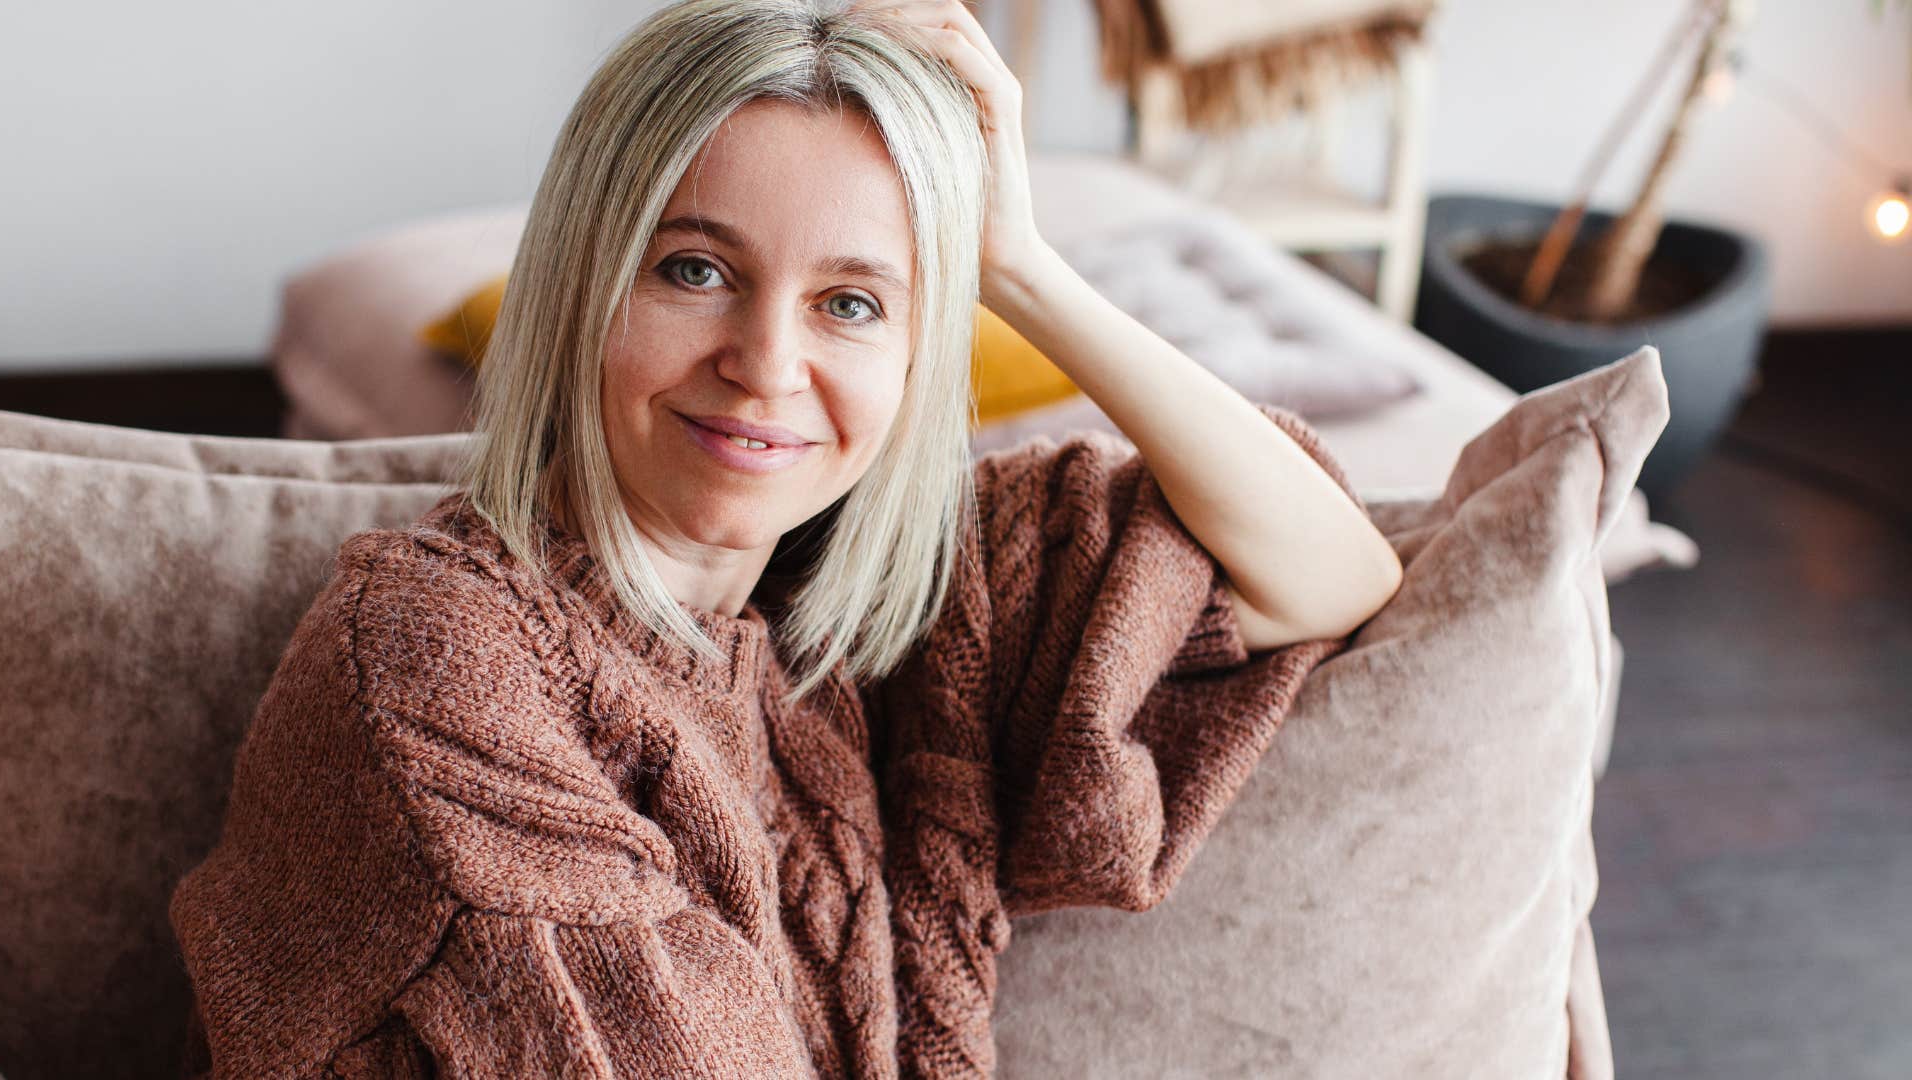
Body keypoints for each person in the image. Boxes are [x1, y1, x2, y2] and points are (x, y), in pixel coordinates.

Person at [166, 0, 1403, 1076]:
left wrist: (1021, 269)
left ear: (923, 356)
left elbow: (1328, 571)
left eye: (852, 304)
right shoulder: (439, 657)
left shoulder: (886, 617)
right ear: (580, 287)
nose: (766, 366)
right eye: (695, 271)